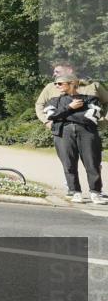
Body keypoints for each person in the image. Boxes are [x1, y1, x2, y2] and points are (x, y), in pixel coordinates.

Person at [40, 71, 107, 204]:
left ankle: (95, 193)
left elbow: (91, 117)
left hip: (87, 132)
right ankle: (75, 192)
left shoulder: (90, 99)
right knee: (68, 163)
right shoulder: (55, 100)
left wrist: (62, 116)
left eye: (60, 83)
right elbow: (50, 116)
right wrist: (69, 107)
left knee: (92, 162)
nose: (57, 86)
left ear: (72, 84)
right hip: (63, 133)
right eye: (55, 84)